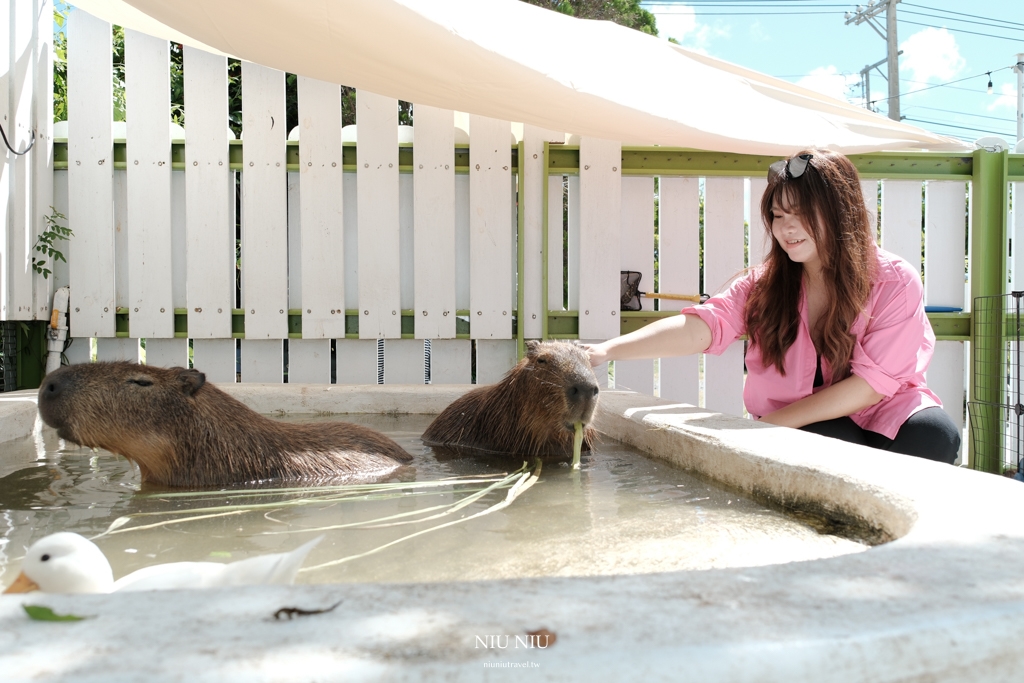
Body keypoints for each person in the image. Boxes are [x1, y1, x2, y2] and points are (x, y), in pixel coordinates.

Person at [586, 149, 960, 464]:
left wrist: (762, 430)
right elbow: (703, 327)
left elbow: (869, 388)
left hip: (876, 408)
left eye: (801, 214)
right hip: (803, 420)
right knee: (830, 437)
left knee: (935, 435)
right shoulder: (763, 283)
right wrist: (605, 351)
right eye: (778, 216)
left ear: (839, 213)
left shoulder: (894, 280)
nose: (787, 229)